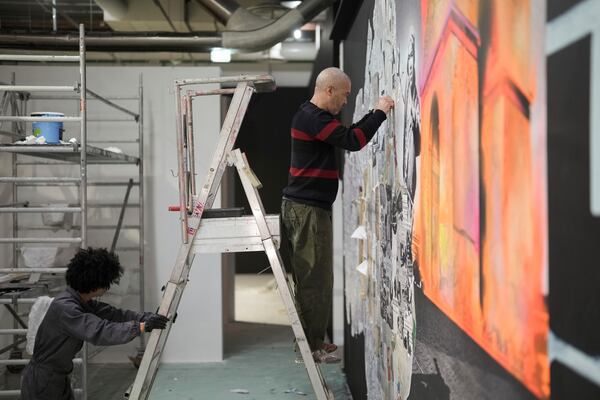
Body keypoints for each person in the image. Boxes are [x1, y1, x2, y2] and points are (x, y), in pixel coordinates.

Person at [281, 67, 394, 363]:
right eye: (344, 95)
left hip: (308, 208)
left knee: (316, 277)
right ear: (329, 90)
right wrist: (379, 112)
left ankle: (313, 342)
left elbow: (348, 135)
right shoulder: (313, 118)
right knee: (314, 279)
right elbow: (353, 140)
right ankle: (310, 348)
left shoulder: (313, 116)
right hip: (307, 210)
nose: (345, 102)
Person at [21, 247, 169, 400]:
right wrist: (142, 327)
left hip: (55, 377)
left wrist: (147, 317)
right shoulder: (67, 308)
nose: (108, 287)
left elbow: (115, 315)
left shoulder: (80, 302)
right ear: (97, 284)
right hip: (43, 381)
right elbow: (101, 331)